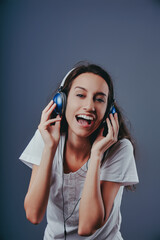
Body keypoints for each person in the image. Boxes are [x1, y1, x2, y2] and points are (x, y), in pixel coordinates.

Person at [19, 62, 139, 240]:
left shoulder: (120, 149)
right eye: (80, 95)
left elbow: (87, 227)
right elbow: (34, 215)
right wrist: (50, 148)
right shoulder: (46, 138)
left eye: (99, 99)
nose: (89, 106)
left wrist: (96, 155)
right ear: (62, 101)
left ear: (108, 110)